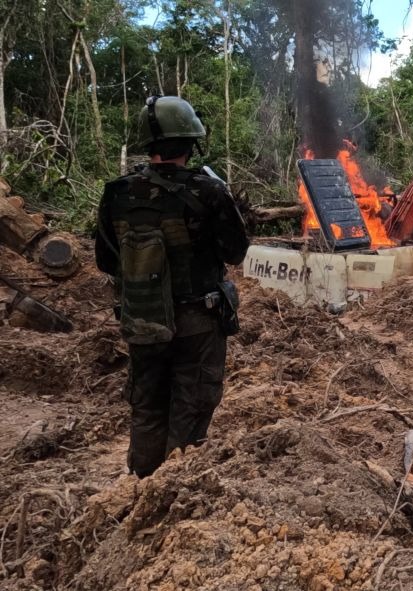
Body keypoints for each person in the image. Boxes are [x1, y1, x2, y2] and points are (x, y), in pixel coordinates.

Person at [96, 96, 250, 478]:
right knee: (191, 408)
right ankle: (172, 498)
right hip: (196, 323)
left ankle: (141, 488)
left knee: (147, 408)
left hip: (143, 321)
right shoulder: (207, 191)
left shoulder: (117, 193)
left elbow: (105, 260)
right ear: (190, 142)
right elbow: (235, 252)